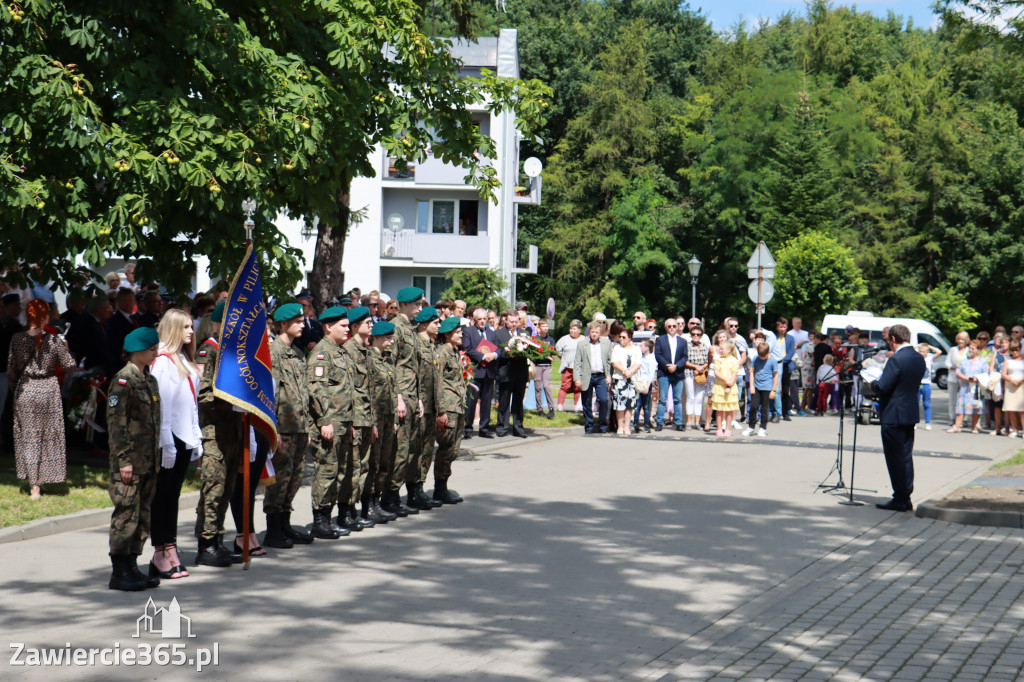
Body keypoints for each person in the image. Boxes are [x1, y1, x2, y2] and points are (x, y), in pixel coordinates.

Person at [105, 327, 162, 591]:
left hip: (148, 460)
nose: (155, 353)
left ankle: (132, 566)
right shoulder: (123, 381)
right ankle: (119, 571)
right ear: (137, 350)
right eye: (151, 349)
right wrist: (124, 459)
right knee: (126, 514)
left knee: (142, 515)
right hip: (129, 462)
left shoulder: (148, 380)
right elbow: (117, 424)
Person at [148, 309, 202, 580]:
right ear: (172, 329)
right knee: (162, 497)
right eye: (185, 327)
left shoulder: (183, 358)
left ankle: (170, 548)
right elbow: (164, 405)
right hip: (169, 439)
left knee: (173, 496)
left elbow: (191, 403)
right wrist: (166, 442)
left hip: (184, 437)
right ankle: (160, 552)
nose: (191, 332)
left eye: (191, 326)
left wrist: (196, 435)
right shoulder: (163, 362)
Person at [7, 299, 77, 499]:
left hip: (26, 388)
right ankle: (41, 481)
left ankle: (34, 485)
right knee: (47, 436)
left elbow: (12, 371)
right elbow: (69, 365)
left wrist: (17, 390)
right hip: (48, 389)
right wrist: (67, 347)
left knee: (29, 437)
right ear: (46, 317)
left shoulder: (17, 339)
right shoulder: (54, 340)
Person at [193, 300, 246, 567]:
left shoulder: (233, 353)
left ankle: (217, 540)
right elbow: (202, 394)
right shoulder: (209, 351)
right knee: (213, 489)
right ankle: (206, 544)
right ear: (218, 323)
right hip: (214, 431)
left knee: (226, 488)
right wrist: (231, 400)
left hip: (232, 431)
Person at [261, 303, 315, 549]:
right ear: (283, 324)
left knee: (294, 478)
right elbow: (269, 394)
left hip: (299, 426)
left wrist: (309, 426)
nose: (303, 324)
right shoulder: (273, 353)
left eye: (302, 320)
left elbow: (303, 392)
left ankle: (285, 523)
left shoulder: (297, 353)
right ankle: (273, 529)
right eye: (297, 321)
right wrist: (273, 429)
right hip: (283, 427)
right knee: (280, 478)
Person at [306, 307, 355, 539]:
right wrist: (324, 420)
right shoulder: (321, 353)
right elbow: (316, 389)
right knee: (326, 470)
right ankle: (320, 520)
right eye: (343, 325)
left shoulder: (341, 352)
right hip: (329, 423)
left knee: (339, 472)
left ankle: (329, 516)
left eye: (348, 325)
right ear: (328, 326)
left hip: (343, 421)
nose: (348, 329)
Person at [869, 324, 927, 512]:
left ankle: (900, 498)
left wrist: (872, 383)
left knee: (894, 457)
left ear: (893, 339)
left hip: (893, 414)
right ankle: (906, 495)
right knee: (905, 456)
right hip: (909, 413)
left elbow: (883, 386)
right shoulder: (919, 358)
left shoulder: (896, 359)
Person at [382, 286, 424, 517]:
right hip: (401, 396)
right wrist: (397, 397)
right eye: (416, 304)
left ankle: (395, 495)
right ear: (404, 305)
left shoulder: (411, 329)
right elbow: (392, 365)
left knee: (407, 449)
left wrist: (416, 398)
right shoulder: (397, 328)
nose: (420, 308)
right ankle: (389, 497)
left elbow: (413, 367)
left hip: (411, 395)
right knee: (398, 449)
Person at [340, 306, 381, 528]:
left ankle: (354, 510)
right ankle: (345, 511)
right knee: (352, 468)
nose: (371, 325)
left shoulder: (365, 350)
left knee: (362, 467)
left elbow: (369, 390)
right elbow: (349, 391)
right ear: (355, 326)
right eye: (367, 322)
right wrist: (353, 420)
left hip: (366, 418)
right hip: (355, 418)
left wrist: (372, 421)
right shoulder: (348, 351)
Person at [410, 307, 442, 510]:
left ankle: (420, 488)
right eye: (435, 322)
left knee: (428, 450)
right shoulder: (417, 345)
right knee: (417, 450)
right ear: (424, 324)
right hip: (420, 405)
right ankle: (413, 491)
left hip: (431, 406)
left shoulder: (431, 345)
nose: (439, 325)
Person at [367, 321, 400, 522]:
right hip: (375, 418)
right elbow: (368, 392)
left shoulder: (387, 359)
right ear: (377, 337)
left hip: (388, 417)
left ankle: (376, 501)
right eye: (388, 337)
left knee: (384, 462)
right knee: (372, 462)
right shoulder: (369, 359)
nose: (391, 341)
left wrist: (394, 417)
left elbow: (393, 391)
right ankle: (368, 503)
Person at [434, 316, 466, 503]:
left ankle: (443, 485)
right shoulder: (442, 353)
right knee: (446, 448)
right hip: (448, 407)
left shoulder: (454, 352)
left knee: (453, 450)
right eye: (458, 332)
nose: (461, 335)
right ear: (448, 334)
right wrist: (441, 411)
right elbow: (437, 382)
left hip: (457, 406)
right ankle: (440, 488)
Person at [462, 308, 498, 438]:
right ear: (474, 320)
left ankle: (484, 429)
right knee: (471, 401)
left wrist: (494, 355)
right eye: (480, 319)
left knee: (487, 401)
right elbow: (467, 348)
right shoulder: (468, 331)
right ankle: (468, 428)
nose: (483, 322)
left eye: (484, 319)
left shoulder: (492, 332)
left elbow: (499, 347)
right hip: (476, 371)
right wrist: (482, 357)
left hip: (489, 371)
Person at [494, 308, 529, 438]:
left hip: (520, 372)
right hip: (505, 372)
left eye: (516, 321)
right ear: (505, 320)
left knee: (518, 401)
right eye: (511, 321)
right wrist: (508, 353)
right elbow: (497, 351)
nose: (514, 324)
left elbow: (530, 350)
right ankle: (502, 427)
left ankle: (518, 427)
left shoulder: (524, 333)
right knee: (504, 401)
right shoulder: (498, 334)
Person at [574, 321, 612, 434]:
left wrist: (609, 375)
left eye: (596, 332)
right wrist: (577, 378)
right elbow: (577, 363)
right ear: (589, 332)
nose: (594, 334)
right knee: (586, 401)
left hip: (601, 376)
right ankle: (589, 425)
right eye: (592, 332)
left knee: (604, 400)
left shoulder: (606, 343)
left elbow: (609, 361)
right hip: (587, 375)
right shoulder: (582, 344)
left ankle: (602, 424)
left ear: (600, 333)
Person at [654, 318, 687, 432]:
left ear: (677, 327)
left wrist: (676, 366)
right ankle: (659, 422)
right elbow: (658, 355)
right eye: (669, 326)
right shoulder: (660, 340)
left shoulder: (682, 341)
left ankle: (678, 422)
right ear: (665, 328)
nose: (672, 328)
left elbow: (685, 357)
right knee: (662, 399)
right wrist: (668, 366)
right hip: (664, 372)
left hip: (678, 372)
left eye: (674, 326)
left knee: (677, 399)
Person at [949, 340, 987, 433]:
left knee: (976, 407)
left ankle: (974, 427)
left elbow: (986, 374)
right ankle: (957, 426)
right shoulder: (965, 360)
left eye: (973, 348)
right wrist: (966, 378)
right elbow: (958, 372)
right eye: (969, 348)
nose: (970, 350)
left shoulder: (983, 361)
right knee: (961, 407)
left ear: (978, 350)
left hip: (977, 388)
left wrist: (976, 379)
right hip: (965, 387)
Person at [610, 329, 642, 436]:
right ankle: (620, 426)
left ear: (630, 338)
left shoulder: (636, 349)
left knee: (629, 405)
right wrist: (624, 371)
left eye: (624, 337)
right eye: (620, 337)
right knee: (619, 404)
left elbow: (638, 363)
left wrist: (630, 372)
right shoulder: (617, 348)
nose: (621, 339)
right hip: (619, 379)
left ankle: (627, 426)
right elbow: (614, 362)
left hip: (631, 379)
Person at [743, 342, 778, 437]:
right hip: (756, 387)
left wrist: (773, 390)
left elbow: (775, 376)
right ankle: (751, 427)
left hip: (767, 388)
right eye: (760, 356)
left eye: (764, 356)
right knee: (753, 407)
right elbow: (752, 372)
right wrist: (751, 386)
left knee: (764, 408)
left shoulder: (772, 360)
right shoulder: (756, 358)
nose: (762, 358)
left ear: (768, 352)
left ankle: (763, 428)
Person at [683, 324, 710, 431]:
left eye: (698, 334)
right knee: (690, 397)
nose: (696, 336)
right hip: (689, 373)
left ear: (701, 335)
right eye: (693, 334)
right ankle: (689, 421)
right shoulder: (686, 346)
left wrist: (701, 368)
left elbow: (709, 360)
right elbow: (683, 360)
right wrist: (695, 367)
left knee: (699, 398)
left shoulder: (705, 346)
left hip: (702, 374)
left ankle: (697, 423)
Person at [710, 337, 739, 437]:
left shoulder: (734, 360)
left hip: (730, 387)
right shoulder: (718, 360)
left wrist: (729, 385)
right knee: (719, 410)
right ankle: (719, 429)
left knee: (729, 410)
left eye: (722, 349)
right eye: (720, 348)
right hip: (719, 387)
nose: (720, 350)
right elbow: (716, 372)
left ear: (729, 350)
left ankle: (727, 428)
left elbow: (734, 373)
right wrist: (725, 380)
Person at [555, 320, 583, 413]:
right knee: (565, 387)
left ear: (579, 330)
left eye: (574, 329)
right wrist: (564, 359)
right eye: (571, 328)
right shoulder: (564, 339)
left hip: (579, 369)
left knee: (578, 388)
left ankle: (576, 407)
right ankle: (559, 407)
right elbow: (557, 350)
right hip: (567, 368)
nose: (572, 331)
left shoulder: (584, 339)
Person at [916, 342, 943, 432]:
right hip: (917, 383)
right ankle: (915, 421)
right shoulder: (916, 357)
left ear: (927, 352)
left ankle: (928, 422)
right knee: (915, 403)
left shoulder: (929, 358)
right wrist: (918, 346)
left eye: (923, 351)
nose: (921, 353)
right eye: (920, 351)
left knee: (926, 404)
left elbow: (939, 352)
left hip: (926, 383)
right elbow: (910, 349)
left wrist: (929, 346)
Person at [533, 318, 556, 418]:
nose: (546, 328)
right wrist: (546, 355)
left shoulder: (550, 339)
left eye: (547, 326)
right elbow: (536, 352)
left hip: (547, 366)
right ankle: (540, 409)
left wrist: (549, 355)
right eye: (543, 326)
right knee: (538, 387)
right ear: (539, 327)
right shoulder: (536, 339)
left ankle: (551, 408)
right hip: (538, 365)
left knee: (546, 386)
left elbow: (553, 350)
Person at [632, 338, 656, 433]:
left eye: (642, 345)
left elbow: (651, 373)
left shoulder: (651, 358)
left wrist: (647, 385)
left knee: (645, 405)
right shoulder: (640, 357)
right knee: (638, 404)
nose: (640, 347)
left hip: (646, 383)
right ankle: (636, 422)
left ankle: (646, 423)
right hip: (639, 383)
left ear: (647, 347)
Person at [1002, 339, 1024, 438]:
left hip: (1021, 385)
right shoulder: (1008, 361)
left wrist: (1019, 380)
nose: (1014, 352)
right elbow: (1003, 374)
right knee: (1011, 409)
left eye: (1016, 349)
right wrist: (1011, 380)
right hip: (1010, 386)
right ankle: (1015, 430)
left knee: (1022, 410)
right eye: (1012, 350)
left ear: (1020, 349)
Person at [947, 331, 969, 426]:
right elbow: (947, 362)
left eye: (963, 339)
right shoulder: (953, 349)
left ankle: (965, 418)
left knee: (965, 398)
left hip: (964, 377)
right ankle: (952, 417)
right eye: (959, 339)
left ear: (966, 340)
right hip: (953, 376)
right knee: (952, 398)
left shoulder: (969, 350)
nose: (961, 341)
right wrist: (953, 367)